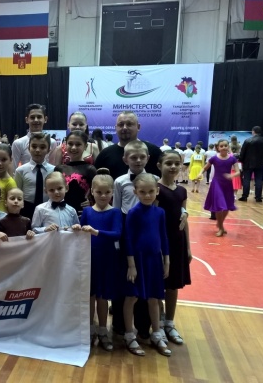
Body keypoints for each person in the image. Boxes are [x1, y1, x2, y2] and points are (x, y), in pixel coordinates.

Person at [123, 173, 171, 357]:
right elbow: (128, 239)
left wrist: (166, 260)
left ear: (157, 191)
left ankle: (157, 334)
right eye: (142, 192)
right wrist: (131, 265)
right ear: (135, 192)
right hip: (138, 261)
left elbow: (163, 236)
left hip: (154, 261)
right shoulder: (133, 213)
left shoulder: (160, 213)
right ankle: (129, 334)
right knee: (132, 297)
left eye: (151, 191)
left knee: (154, 298)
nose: (147, 195)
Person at [79, 169, 122, 352]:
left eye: (107, 192)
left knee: (103, 298)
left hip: (107, 260)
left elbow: (117, 234)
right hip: (89, 259)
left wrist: (96, 232)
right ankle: (89, 330)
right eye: (99, 192)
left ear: (112, 192)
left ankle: (103, 331)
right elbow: (80, 233)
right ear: (92, 192)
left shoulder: (115, 213)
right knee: (90, 297)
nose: (103, 196)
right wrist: (77, 228)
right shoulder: (87, 212)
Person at [156, 151, 191, 346]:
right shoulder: (156, 190)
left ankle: (170, 322)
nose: (173, 167)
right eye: (168, 163)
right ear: (159, 165)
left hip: (178, 243)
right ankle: (159, 323)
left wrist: (188, 247)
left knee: (173, 284)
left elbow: (184, 219)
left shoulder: (182, 191)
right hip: (161, 242)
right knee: (158, 284)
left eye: (177, 163)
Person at [94, 111, 162, 180]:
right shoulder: (105, 155)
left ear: (138, 127)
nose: (124, 128)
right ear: (116, 128)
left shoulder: (154, 152)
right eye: (121, 125)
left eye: (129, 124)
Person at [203, 139, 240, 237]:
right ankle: (220, 228)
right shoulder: (214, 158)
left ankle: (220, 224)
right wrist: (200, 173)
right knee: (219, 206)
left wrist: (232, 175)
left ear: (228, 147)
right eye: (221, 146)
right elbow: (205, 167)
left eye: (225, 145)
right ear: (218, 148)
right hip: (217, 184)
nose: (223, 147)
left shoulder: (232, 159)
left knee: (227, 206)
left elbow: (238, 171)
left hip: (227, 184)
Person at [14, 132, 55, 219]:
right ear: (28, 148)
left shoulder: (54, 170)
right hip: (26, 211)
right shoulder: (20, 171)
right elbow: (17, 194)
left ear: (48, 150)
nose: (37, 150)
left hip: (49, 210)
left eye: (42, 147)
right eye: (34, 146)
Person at [56, 131, 97, 214]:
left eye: (78, 144)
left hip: (82, 213)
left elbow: (97, 192)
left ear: (85, 146)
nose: (74, 148)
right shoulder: (59, 169)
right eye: (70, 144)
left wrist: (91, 202)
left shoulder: (90, 169)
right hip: (61, 212)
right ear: (65, 145)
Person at [11, 104, 56, 170]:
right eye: (32, 117)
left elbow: (52, 168)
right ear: (27, 120)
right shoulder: (18, 143)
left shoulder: (52, 142)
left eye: (39, 117)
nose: (36, 120)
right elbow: (13, 169)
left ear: (45, 119)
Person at [238, 126, 263, 202]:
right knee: (259, 180)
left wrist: (241, 160)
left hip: (248, 163)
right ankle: (258, 197)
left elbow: (243, 152)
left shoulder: (248, 140)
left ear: (253, 131)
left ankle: (244, 196)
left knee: (246, 179)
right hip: (259, 163)